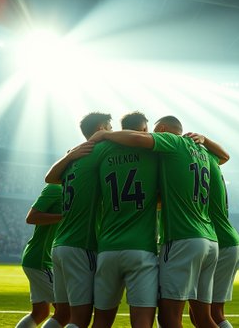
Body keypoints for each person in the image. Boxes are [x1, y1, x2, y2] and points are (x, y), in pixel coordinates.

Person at [89, 115, 229, 328]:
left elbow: (138, 140)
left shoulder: (170, 143)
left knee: (169, 318)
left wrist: (105, 134)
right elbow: (224, 157)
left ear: (162, 129)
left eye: (153, 130)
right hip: (209, 240)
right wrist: (206, 139)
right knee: (204, 318)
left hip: (181, 238)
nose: (150, 135)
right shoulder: (201, 152)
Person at [90, 112, 159, 328]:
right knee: (142, 323)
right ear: (144, 130)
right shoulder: (153, 152)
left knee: (100, 323)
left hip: (107, 248)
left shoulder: (101, 150)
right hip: (141, 249)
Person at [44, 112, 110, 328]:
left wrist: (69, 156)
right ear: (101, 127)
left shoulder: (75, 157)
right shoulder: (99, 151)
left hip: (61, 244)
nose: (112, 131)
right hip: (82, 245)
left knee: (61, 315)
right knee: (80, 319)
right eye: (109, 126)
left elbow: (49, 178)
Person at [16, 184, 69, 328]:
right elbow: (31, 217)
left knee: (40, 312)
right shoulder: (55, 188)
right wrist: (64, 217)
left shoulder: (72, 192)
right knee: (66, 312)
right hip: (40, 260)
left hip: (40, 258)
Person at [201, 153, 239, 328]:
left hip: (220, 241)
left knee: (211, 315)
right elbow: (224, 155)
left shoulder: (199, 164)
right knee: (209, 315)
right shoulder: (212, 163)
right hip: (228, 239)